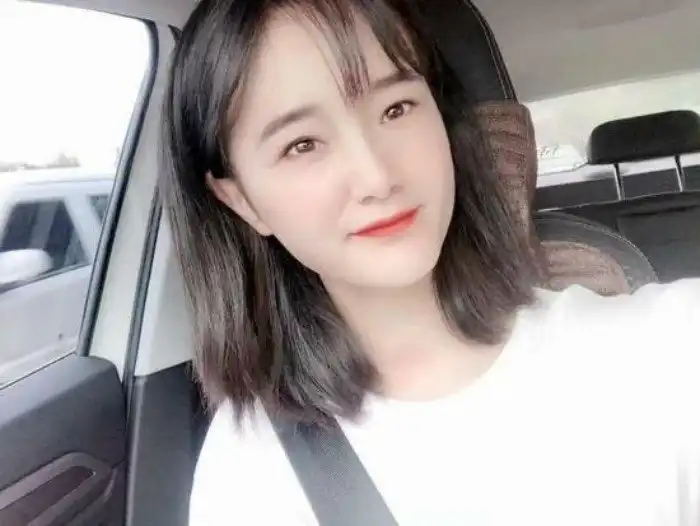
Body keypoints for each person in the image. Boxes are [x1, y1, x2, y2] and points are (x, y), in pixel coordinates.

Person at [160, 0, 700, 524]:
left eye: (396, 109)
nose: (376, 176)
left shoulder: (663, 348)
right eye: (302, 145)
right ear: (241, 199)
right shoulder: (251, 472)